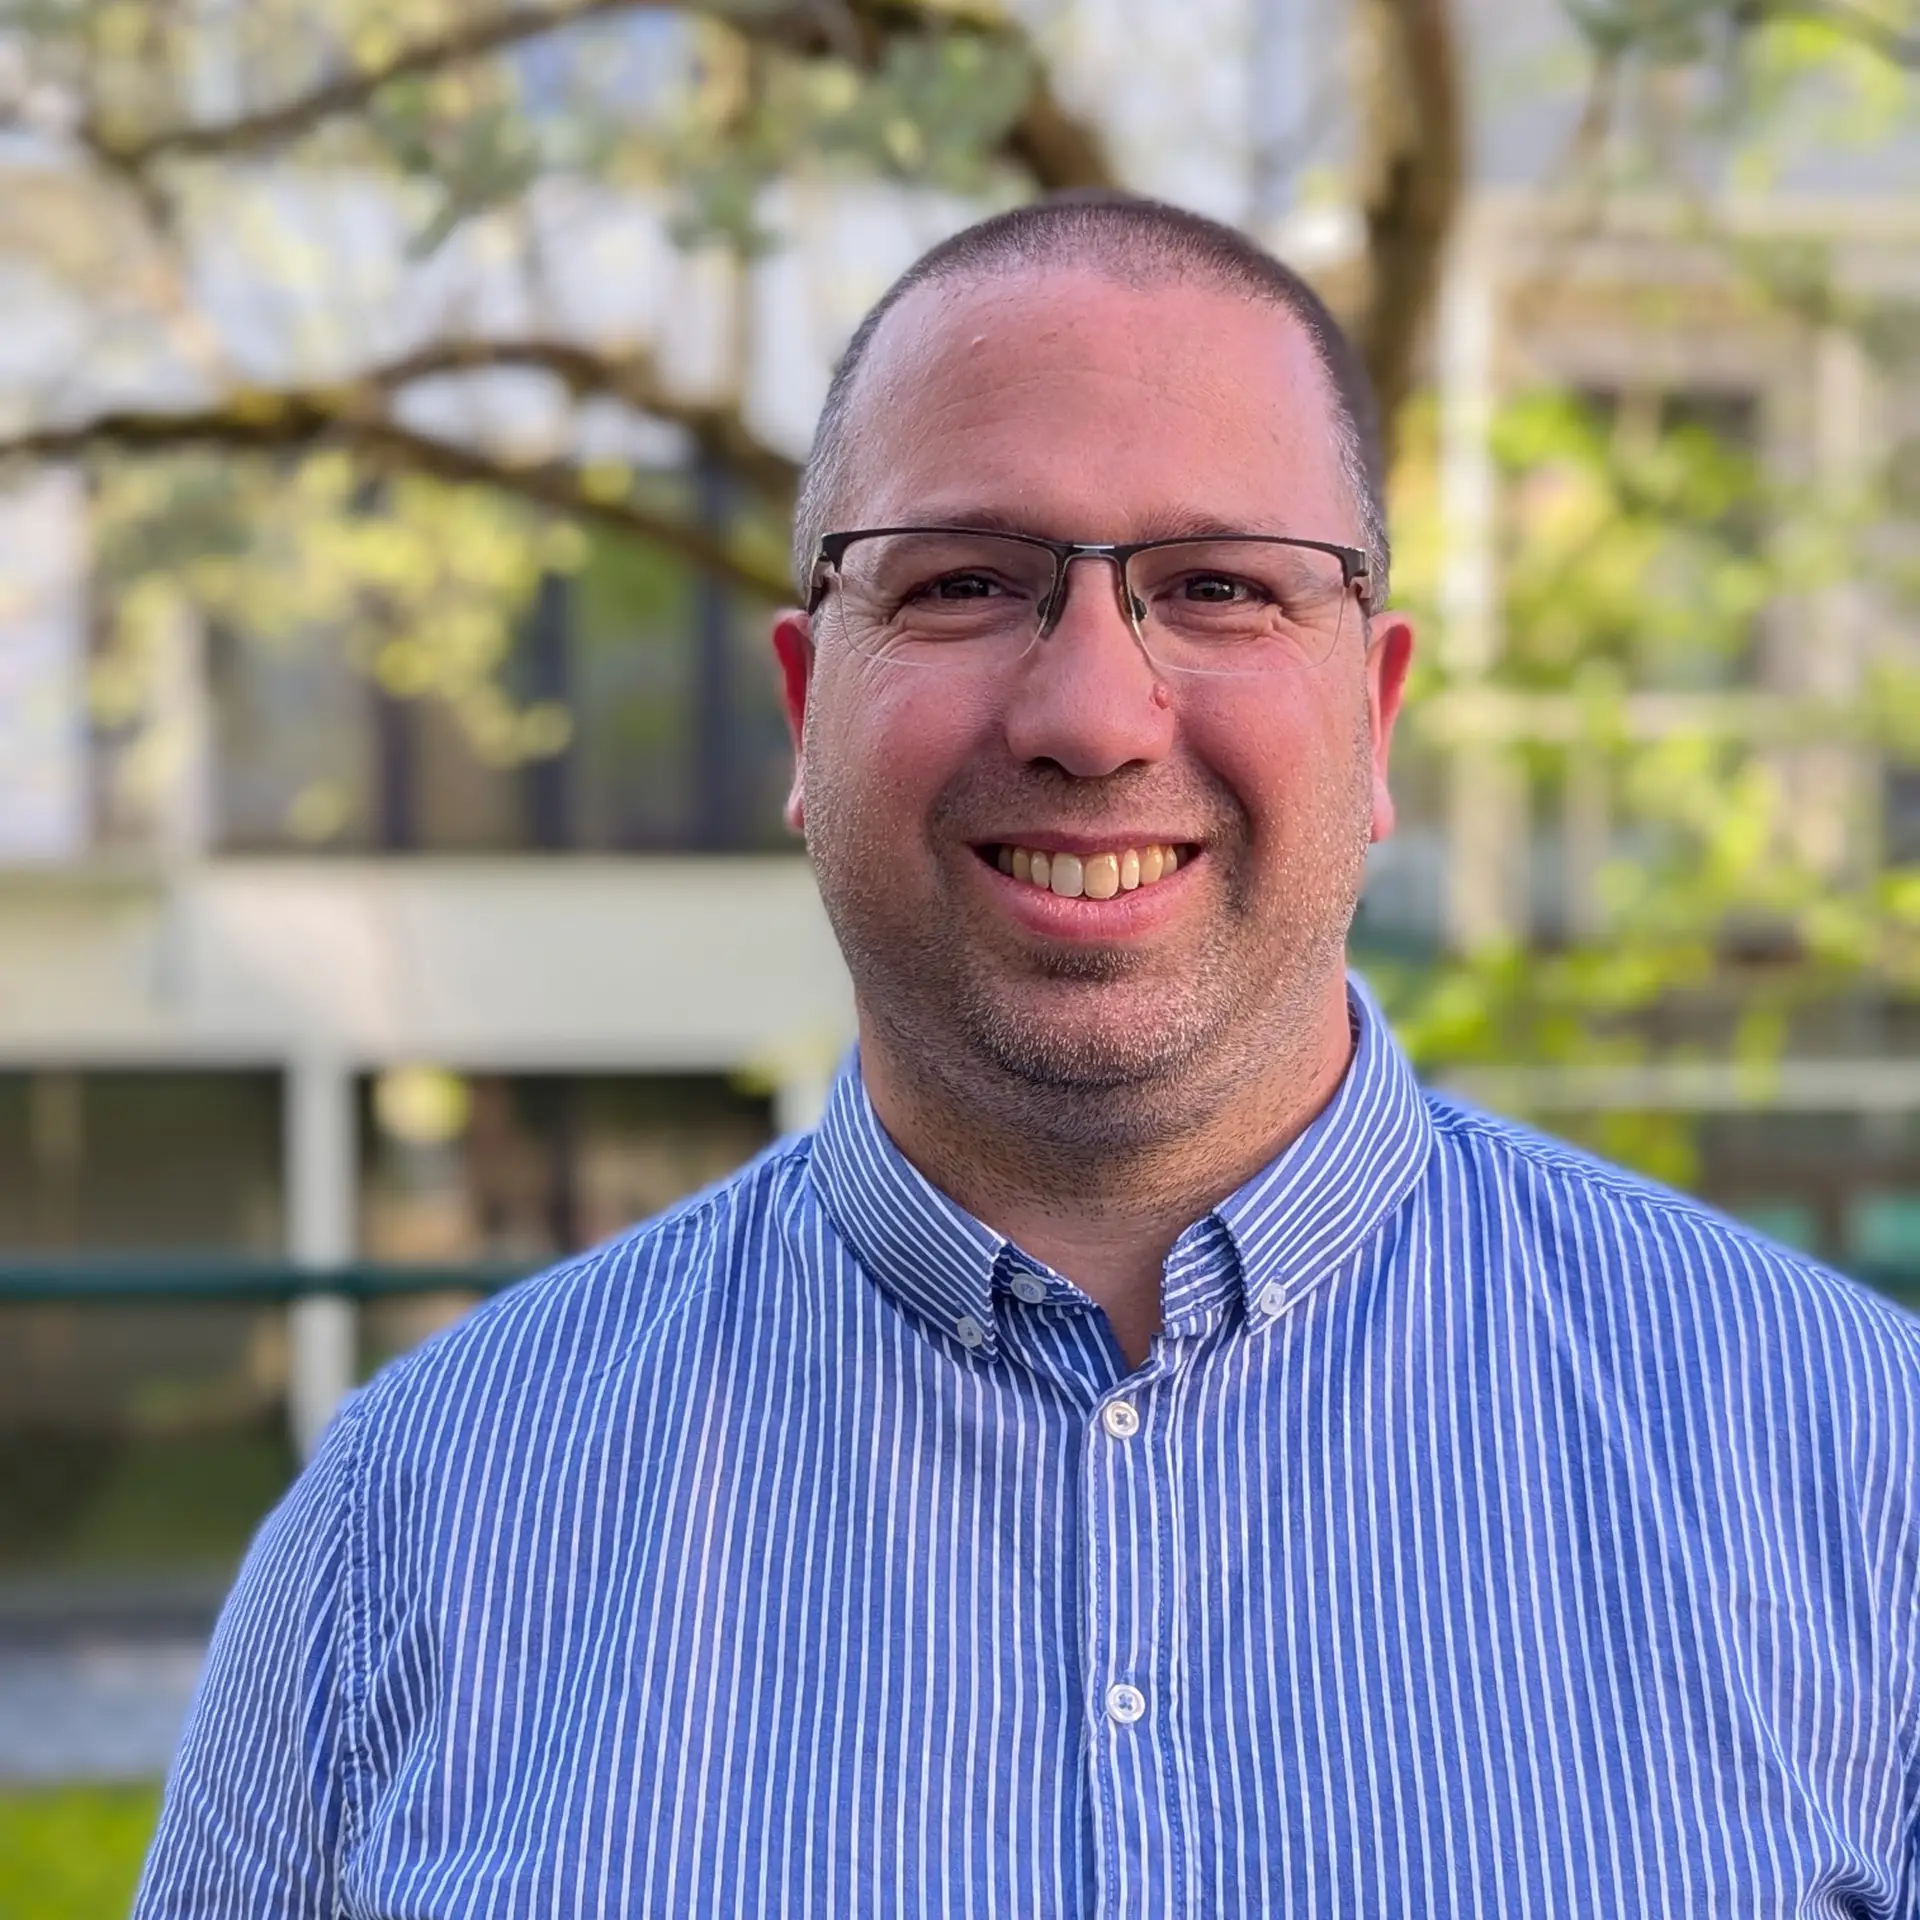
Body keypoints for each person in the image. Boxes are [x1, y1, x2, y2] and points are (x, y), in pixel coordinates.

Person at [136, 195, 1920, 1919]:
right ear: (805, 710)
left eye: (1217, 586)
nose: (1090, 714)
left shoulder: (1860, 1472)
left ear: (1375, 717)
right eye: (967, 582)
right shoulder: (414, 1528)